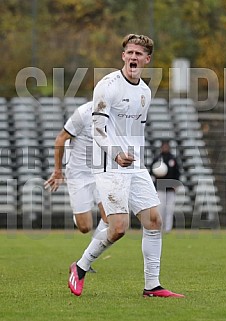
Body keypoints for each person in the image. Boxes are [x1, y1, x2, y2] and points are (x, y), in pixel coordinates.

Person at [68, 34, 185, 298]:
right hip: (108, 164)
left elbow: (136, 132)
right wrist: (117, 153)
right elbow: (97, 129)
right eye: (129, 52)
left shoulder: (145, 91)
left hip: (135, 164)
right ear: (123, 56)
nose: (133, 57)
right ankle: (80, 267)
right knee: (118, 228)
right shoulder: (107, 85)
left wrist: (134, 158)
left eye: (138, 54)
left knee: (153, 221)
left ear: (147, 59)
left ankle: (152, 286)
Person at [44, 101, 108, 242]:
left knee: (110, 217)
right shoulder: (83, 113)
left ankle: (87, 258)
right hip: (78, 174)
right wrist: (58, 171)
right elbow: (61, 139)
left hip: (102, 173)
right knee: (85, 227)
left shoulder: (116, 113)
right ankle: (78, 214)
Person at [150, 140, 181, 232]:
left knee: (169, 209)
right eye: (164, 147)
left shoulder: (173, 159)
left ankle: (168, 228)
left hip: (171, 189)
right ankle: (160, 227)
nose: (165, 148)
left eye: (167, 147)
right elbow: (151, 172)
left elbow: (177, 173)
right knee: (160, 209)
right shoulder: (157, 159)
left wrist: (176, 184)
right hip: (160, 188)